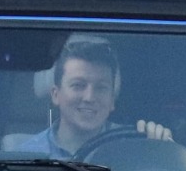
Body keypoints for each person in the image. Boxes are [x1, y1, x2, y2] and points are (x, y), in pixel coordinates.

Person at [10, 34, 172, 156]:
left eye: (101, 88)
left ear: (112, 100)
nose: (89, 97)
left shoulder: (136, 148)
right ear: (55, 94)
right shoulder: (25, 156)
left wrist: (163, 150)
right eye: (78, 85)